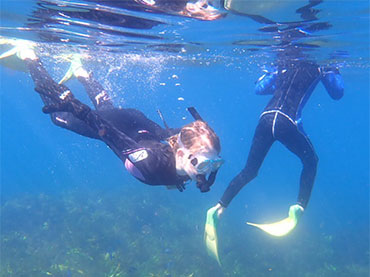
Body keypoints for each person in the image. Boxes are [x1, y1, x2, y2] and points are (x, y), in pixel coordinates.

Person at [0, 39, 224, 193]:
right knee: (59, 115)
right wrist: (78, 108)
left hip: (138, 125)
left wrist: (203, 140)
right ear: (182, 152)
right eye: (204, 164)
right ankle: (29, 55)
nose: (209, 171)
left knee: (107, 108)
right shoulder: (151, 162)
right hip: (123, 129)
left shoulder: (196, 169)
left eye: (215, 163)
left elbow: (200, 159)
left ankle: (81, 71)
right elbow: (111, 136)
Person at [204, 21, 344, 263]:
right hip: (287, 121)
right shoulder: (321, 62)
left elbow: (259, 89)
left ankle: (218, 208)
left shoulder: (283, 62)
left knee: (250, 171)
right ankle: (298, 208)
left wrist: (274, 73)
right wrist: (333, 68)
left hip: (265, 118)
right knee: (311, 161)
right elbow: (337, 93)